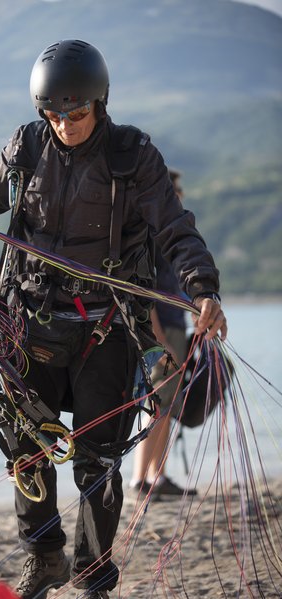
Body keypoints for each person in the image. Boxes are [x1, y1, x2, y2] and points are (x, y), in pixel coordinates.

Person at [0, 39, 227, 599]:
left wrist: (203, 289)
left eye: (76, 113)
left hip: (105, 329)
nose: (65, 124)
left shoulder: (134, 158)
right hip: (29, 324)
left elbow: (176, 230)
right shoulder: (27, 147)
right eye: (53, 114)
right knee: (24, 449)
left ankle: (93, 576)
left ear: (99, 103)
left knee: (97, 459)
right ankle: (44, 556)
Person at [130, 169, 198, 499]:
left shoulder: (168, 236)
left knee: (166, 406)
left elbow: (174, 289)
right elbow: (146, 293)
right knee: (155, 404)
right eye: (175, 190)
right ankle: (140, 479)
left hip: (176, 326)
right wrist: (158, 339)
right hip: (162, 331)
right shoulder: (151, 238)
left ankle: (158, 474)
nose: (179, 195)